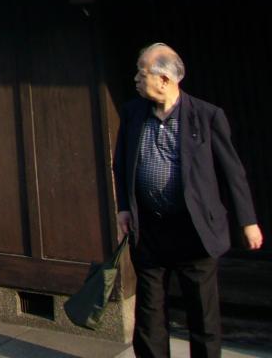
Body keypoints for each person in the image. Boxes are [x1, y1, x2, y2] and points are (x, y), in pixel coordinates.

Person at [113, 43, 263, 358]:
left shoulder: (206, 116)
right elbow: (121, 163)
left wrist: (247, 221)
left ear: (165, 79)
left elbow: (232, 171)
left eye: (142, 73)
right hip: (151, 229)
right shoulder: (132, 113)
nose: (137, 79)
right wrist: (124, 207)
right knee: (150, 312)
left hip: (194, 231)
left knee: (203, 315)